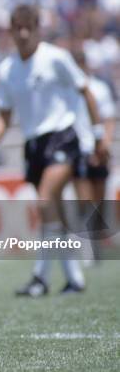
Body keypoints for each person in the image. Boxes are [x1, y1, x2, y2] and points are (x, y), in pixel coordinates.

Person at [0, 5, 108, 296]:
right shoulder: (8, 69)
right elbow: (4, 115)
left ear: (37, 29)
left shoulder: (55, 58)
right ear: (10, 31)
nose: (23, 34)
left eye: (28, 27)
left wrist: (98, 135)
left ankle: (41, 276)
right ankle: (72, 278)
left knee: (47, 199)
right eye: (17, 28)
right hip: (34, 144)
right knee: (54, 211)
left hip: (63, 137)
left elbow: (85, 91)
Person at [71, 48, 116, 262]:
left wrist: (104, 145)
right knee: (84, 200)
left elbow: (108, 119)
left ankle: (96, 246)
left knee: (98, 201)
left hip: (98, 149)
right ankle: (86, 248)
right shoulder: (68, 90)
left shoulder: (98, 88)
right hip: (79, 150)